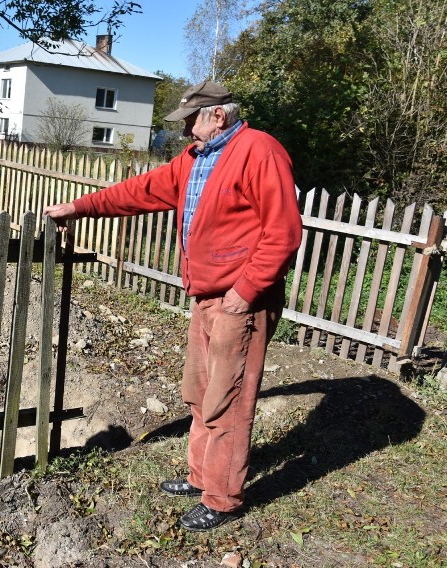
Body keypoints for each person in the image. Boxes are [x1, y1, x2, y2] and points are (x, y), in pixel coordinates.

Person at [43, 81, 303, 531]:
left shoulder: (259, 151)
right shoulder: (195, 159)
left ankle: (222, 499)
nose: (184, 132)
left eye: (189, 122)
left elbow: (282, 233)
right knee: (200, 393)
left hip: (240, 300)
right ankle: (202, 477)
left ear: (216, 116)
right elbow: (139, 191)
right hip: (206, 295)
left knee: (229, 400)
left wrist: (243, 296)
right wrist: (79, 208)